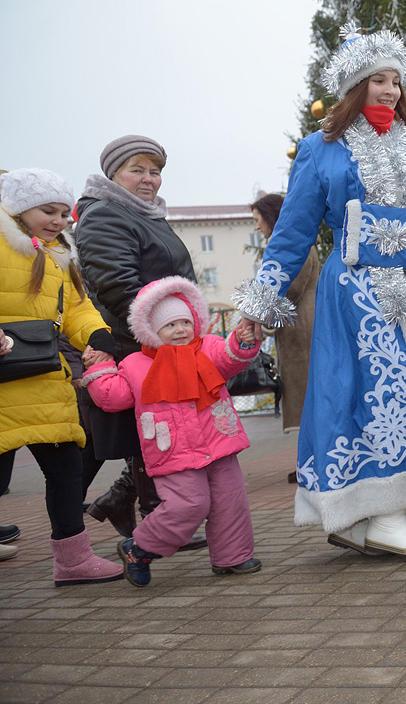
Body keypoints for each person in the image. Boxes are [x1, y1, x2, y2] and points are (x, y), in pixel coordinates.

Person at [233, 25, 406, 557]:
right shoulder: (319, 150)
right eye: (379, 79)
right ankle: (374, 511)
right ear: (356, 86)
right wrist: (261, 302)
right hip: (351, 292)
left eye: (397, 80)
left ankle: (368, 511)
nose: (391, 90)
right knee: (361, 395)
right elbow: (292, 234)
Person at [82, 277, 263, 586]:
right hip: (172, 450)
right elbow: (113, 397)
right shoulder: (136, 364)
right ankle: (140, 549)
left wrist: (242, 340)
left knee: (230, 500)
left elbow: (230, 358)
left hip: (218, 441)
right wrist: (99, 369)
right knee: (187, 505)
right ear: (152, 330)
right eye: (170, 325)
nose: (181, 330)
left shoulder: (208, 348)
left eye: (185, 322)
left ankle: (232, 557)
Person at [75, 135, 204, 549]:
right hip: (138, 341)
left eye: (156, 171)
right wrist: (164, 332)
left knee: (154, 430)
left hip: (158, 337)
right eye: (138, 170)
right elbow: (117, 286)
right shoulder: (106, 215)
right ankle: (156, 517)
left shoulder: (141, 214)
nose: (150, 179)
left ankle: (130, 504)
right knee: (154, 429)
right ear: (113, 173)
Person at [0, 168, 124, 585]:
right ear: (18, 208)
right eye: (46, 211)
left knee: (68, 470)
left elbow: (76, 307)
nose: (57, 220)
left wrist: (98, 335)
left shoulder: (58, 254)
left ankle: (72, 559)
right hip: (4, 382)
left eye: (62, 213)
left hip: (44, 375)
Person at [250, 193, 319, 483]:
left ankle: (315, 462)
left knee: (307, 397)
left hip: (302, 331)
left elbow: (289, 289)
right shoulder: (295, 242)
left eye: (258, 220)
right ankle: (310, 460)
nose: (257, 228)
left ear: (272, 217)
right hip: (297, 329)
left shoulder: (295, 244)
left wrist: (261, 315)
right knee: (305, 396)